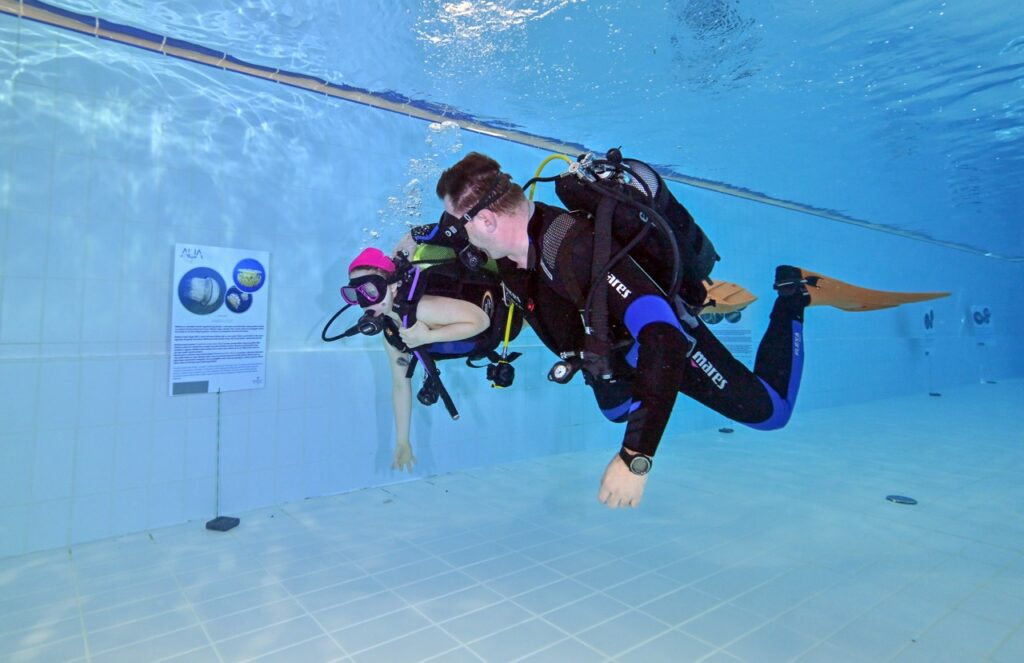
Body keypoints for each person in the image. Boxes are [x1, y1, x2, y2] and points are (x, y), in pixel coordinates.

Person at [426, 151, 947, 509]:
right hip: (617, 349)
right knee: (616, 407)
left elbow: (664, 337)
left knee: (771, 414)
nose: (459, 234)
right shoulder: (513, 259)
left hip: (666, 339)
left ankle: (795, 294)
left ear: (487, 221)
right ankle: (685, 301)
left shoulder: (574, 248)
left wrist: (636, 457)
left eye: (460, 222)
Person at [343, 246, 521, 472]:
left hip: (502, 318)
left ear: (393, 285)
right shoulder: (391, 335)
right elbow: (400, 385)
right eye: (355, 294)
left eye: (370, 290)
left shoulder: (422, 309)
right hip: (484, 340)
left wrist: (428, 336)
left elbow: (481, 321)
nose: (365, 302)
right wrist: (402, 441)